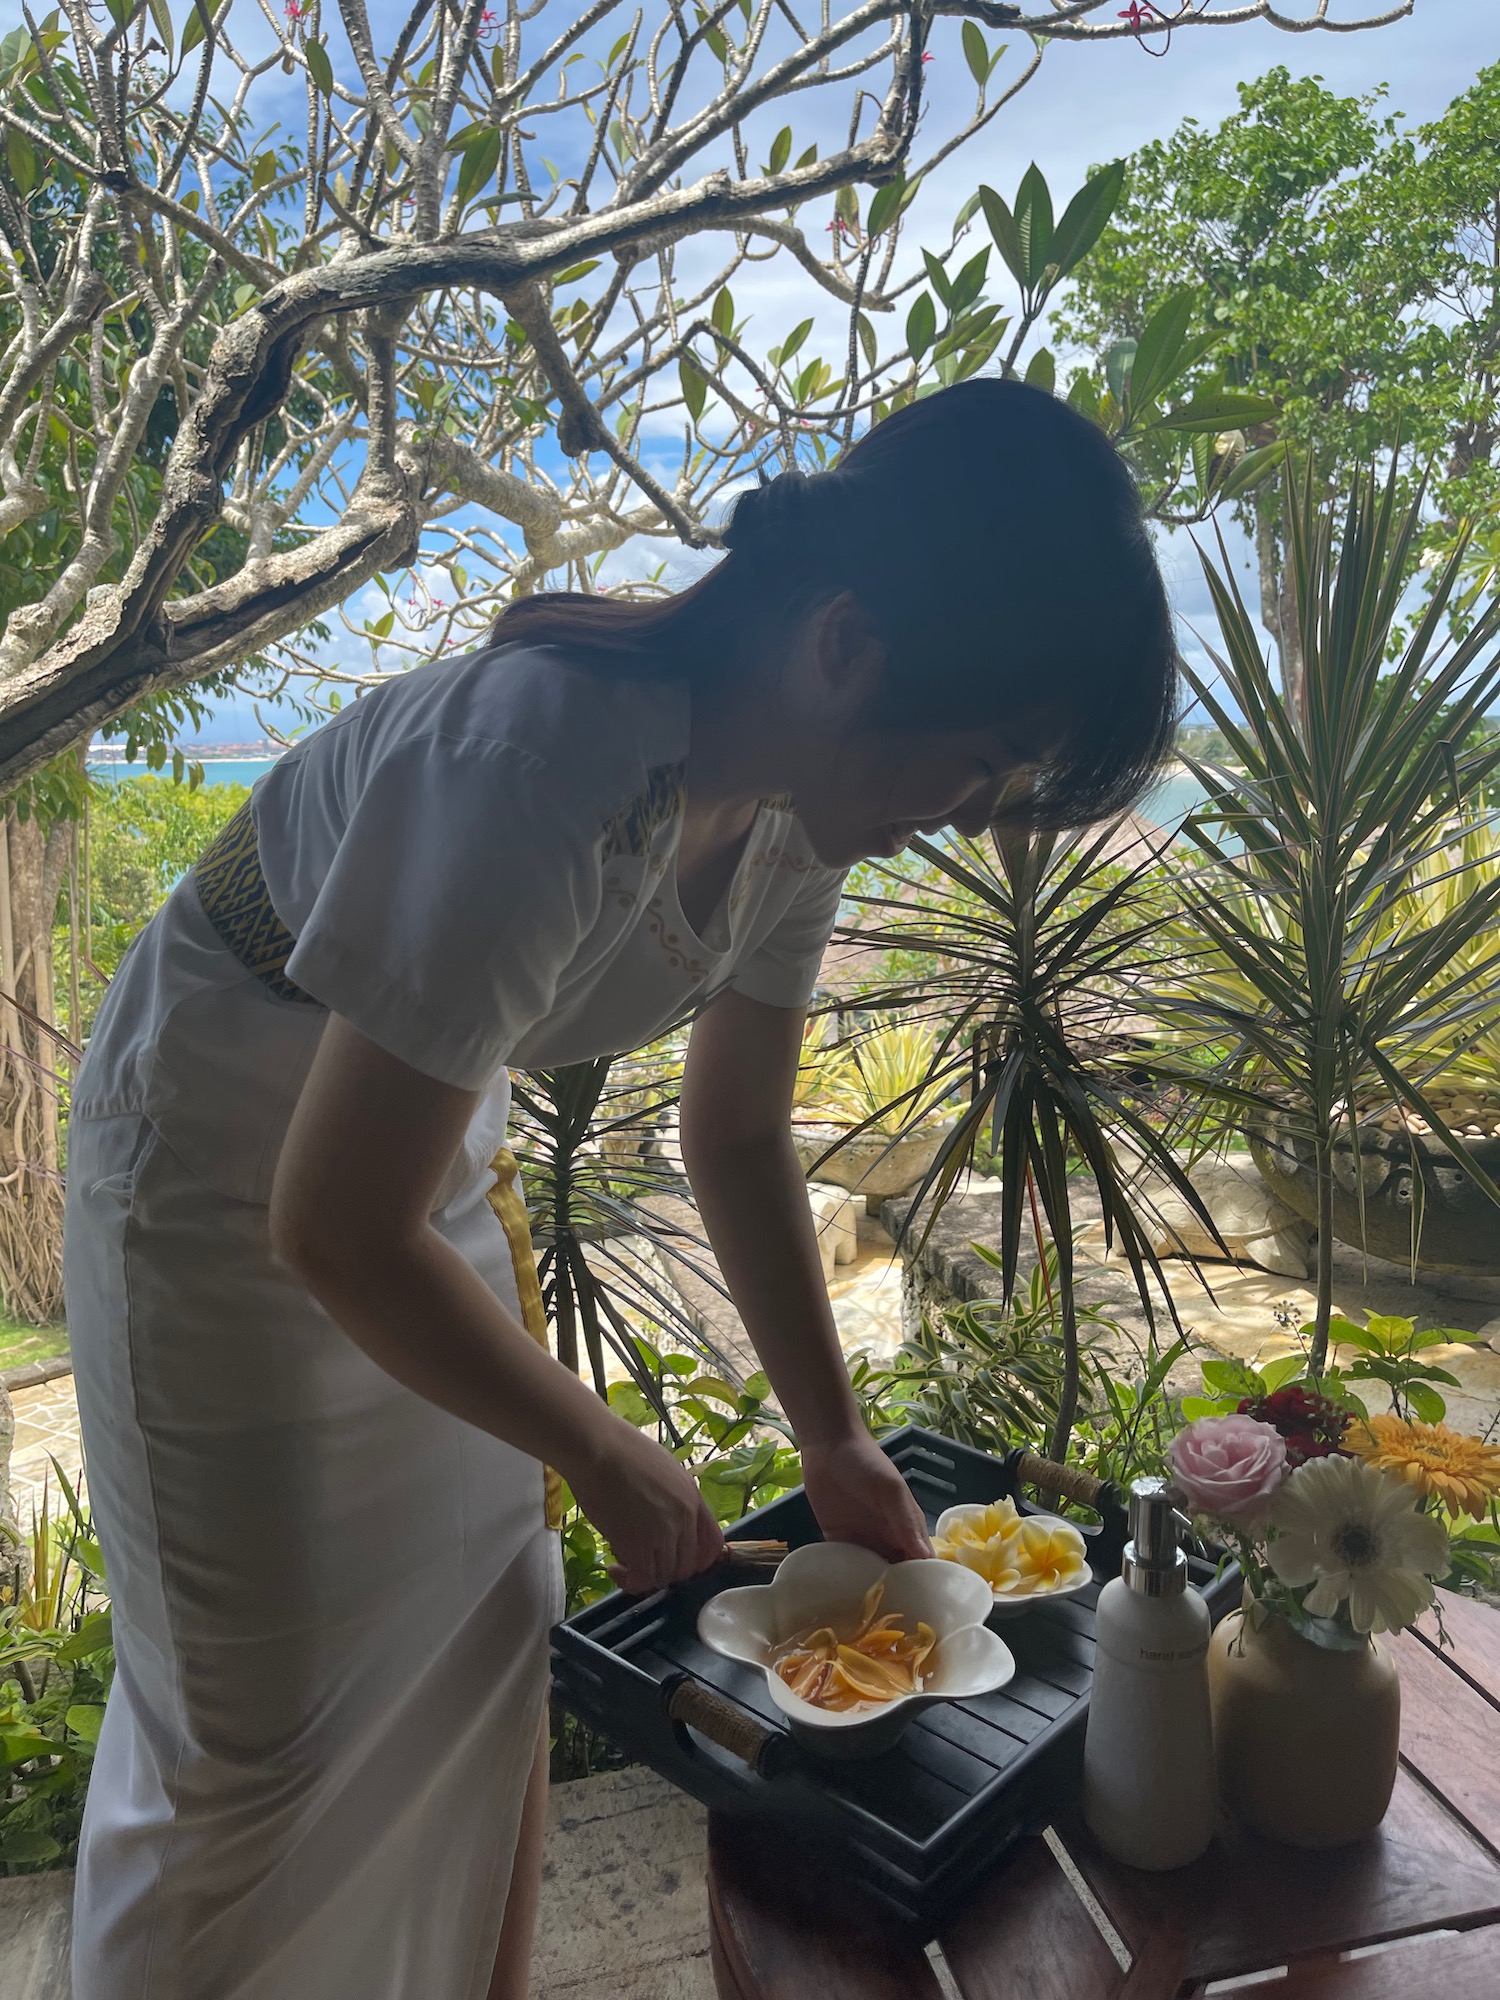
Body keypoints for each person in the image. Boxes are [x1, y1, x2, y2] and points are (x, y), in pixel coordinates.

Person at [62, 378, 1178, 1999]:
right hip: (219, 1176)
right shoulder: (544, 752)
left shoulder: (805, 807)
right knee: (256, 1734)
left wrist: (834, 1438)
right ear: (849, 644)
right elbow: (326, 1225)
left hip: (406, 1165)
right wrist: (604, 1449)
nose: (971, 812)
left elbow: (735, 1135)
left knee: (485, 1630)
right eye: (983, 763)